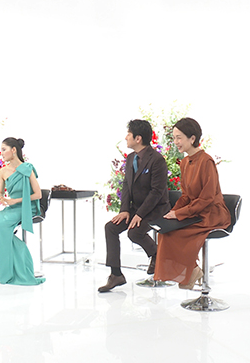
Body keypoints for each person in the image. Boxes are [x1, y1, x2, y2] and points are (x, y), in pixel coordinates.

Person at [153, 117, 230, 289]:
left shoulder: (206, 161)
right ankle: (193, 270)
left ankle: (190, 272)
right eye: (174, 138)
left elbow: (207, 198)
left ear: (192, 138)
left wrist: (180, 214)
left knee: (178, 234)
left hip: (211, 213)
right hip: (195, 211)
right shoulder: (185, 163)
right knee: (165, 232)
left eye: (179, 137)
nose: (176, 142)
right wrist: (173, 213)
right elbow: (186, 196)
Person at [98, 119, 171, 292]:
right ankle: (116, 274)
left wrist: (139, 215)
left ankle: (158, 255)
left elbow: (156, 192)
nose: (126, 138)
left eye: (128, 134)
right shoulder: (131, 158)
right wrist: (125, 210)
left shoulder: (157, 160)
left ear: (138, 138)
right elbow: (126, 185)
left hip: (156, 209)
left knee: (134, 232)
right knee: (110, 228)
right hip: (136, 208)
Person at [0, 137, 46, 286]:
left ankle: (9, 272)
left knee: (1, 226)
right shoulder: (2, 171)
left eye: (4, 149)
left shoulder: (27, 169)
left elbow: (38, 195)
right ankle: (16, 260)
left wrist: (15, 201)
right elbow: (1, 193)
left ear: (13, 150)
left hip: (27, 206)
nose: (1, 153)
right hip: (13, 207)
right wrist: (1, 198)